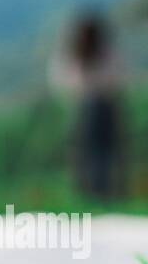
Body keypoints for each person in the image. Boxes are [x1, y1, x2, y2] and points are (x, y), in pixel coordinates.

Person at [49, 12, 125, 200]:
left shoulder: (97, 54)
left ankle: (99, 193)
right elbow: (117, 78)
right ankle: (98, 193)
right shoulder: (82, 56)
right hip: (96, 107)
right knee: (99, 152)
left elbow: (64, 82)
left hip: (95, 108)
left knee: (95, 152)